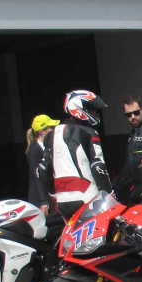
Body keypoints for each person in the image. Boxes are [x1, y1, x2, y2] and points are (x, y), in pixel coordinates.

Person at [38, 90, 113, 222]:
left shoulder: (50, 135)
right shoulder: (89, 132)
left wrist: (53, 195)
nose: (94, 113)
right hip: (87, 197)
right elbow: (98, 167)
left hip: (62, 200)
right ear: (78, 107)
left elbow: (42, 170)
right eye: (92, 109)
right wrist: (109, 194)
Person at [25, 114, 58, 216]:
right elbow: (36, 176)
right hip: (42, 198)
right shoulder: (34, 149)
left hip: (51, 193)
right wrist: (43, 201)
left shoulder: (48, 145)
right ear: (43, 131)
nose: (54, 130)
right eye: (51, 128)